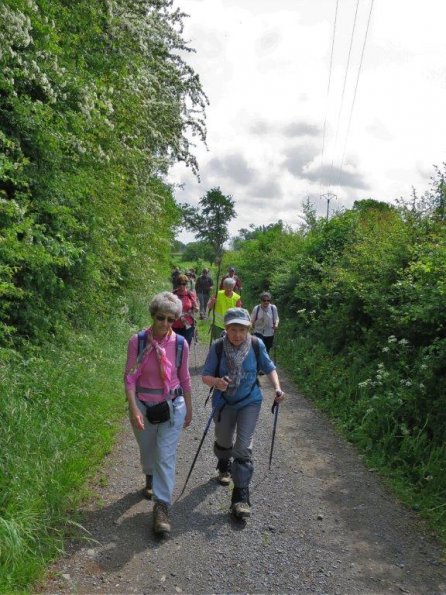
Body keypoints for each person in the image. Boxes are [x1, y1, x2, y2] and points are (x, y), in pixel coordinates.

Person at [201, 307, 285, 519]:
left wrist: (277, 388)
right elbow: (205, 376)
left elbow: (269, 367)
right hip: (224, 402)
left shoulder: (256, 345)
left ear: (248, 329)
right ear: (226, 329)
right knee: (223, 439)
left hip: (250, 401)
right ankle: (223, 463)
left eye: (242, 329)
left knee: (244, 445)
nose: (237, 335)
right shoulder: (218, 347)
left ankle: (240, 496)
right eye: (233, 329)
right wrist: (217, 382)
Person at [124, 291, 192, 536]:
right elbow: (130, 378)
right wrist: (133, 408)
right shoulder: (138, 342)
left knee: (165, 455)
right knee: (148, 451)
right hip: (143, 404)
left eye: (170, 319)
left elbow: (184, 378)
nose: (165, 324)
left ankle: (161, 507)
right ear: (152, 316)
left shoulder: (181, 344)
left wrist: (190, 408)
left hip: (172, 406)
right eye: (160, 318)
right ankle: (149, 475)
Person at [172, 274, 199, 346]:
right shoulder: (172, 295)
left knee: (186, 344)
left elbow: (196, 307)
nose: (181, 286)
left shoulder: (190, 294)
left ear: (186, 284)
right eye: (179, 284)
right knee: (175, 345)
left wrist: (195, 308)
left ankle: (185, 357)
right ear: (177, 284)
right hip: (175, 324)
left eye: (183, 284)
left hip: (188, 324)